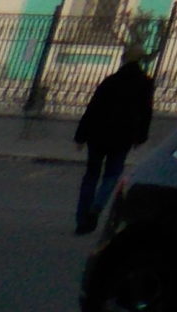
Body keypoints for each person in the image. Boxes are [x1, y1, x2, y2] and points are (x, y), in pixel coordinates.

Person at [73, 49, 155, 234]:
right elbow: (146, 112)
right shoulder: (145, 83)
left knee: (91, 176)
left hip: (98, 134)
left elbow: (93, 108)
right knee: (112, 174)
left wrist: (81, 136)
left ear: (123, 59)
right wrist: (141, 136)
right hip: (123, 136)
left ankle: (81, 219)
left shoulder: (110, 81)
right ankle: (98, 205)